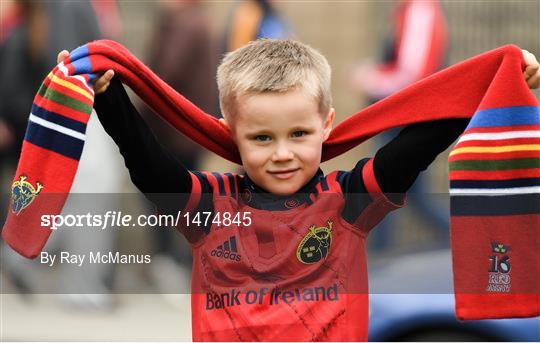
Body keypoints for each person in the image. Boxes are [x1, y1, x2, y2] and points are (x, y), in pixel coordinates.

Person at [56, 41, 540, 340]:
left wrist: (487, 82)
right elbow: (148, 167)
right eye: (262, 138)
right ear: (230, 134)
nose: (282, 153)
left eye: (299, 135)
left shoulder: (348, 204)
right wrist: (108, 94)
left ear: (326, 125)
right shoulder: (208, 208)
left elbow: (417, 145)